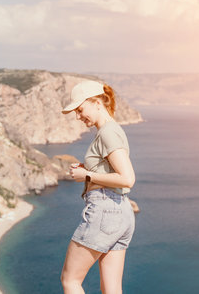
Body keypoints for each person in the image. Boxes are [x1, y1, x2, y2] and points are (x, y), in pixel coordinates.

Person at [60, 80, 136, 294]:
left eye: (80, 109)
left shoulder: (107, 133)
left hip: (105, 211)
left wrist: (87, 174)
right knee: (111, 289)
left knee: (70, 280)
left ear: (96, 102)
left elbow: (127, 178)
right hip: (122, 213)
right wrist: (90, 170)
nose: (78, 116)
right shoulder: (113, 130)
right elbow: (111, 171)